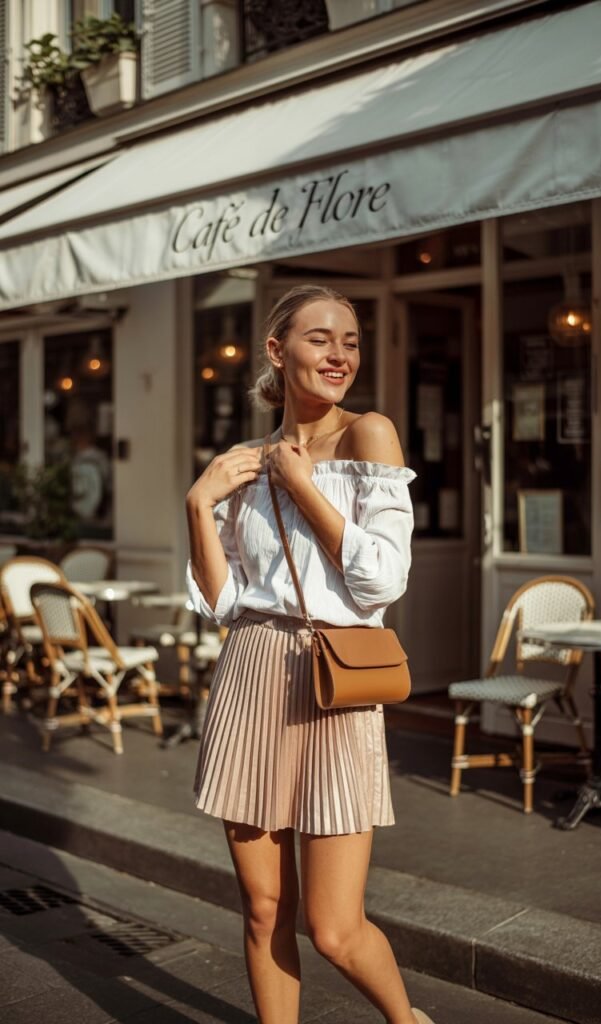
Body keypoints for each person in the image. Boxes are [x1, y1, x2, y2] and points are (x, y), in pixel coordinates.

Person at [185, 285, 432, 1024]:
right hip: (252, 671)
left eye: (350, 341)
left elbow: (382, 579)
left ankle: (409, 1022)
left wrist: (306, 488)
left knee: (334, 928)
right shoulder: (241, 462)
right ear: (276, 350)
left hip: (335, 680)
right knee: (264, 909)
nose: (339, 355)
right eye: (321, 338)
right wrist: (199, 505)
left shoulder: (370, 436)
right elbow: (223, 601)